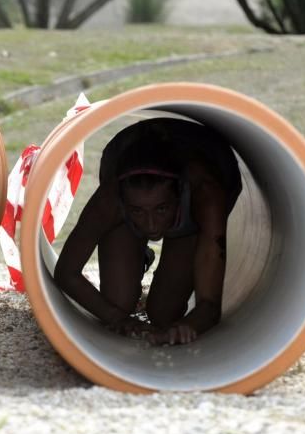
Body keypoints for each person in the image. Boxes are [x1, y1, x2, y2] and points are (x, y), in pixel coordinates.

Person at [53, 118, 241, 346]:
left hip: (210, 166)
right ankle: (138, 256)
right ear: (122, 200)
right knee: (117, 302)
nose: (151, 225)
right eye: (137, 211)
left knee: (164, 314)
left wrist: (188, 326)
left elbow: (210, 304)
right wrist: (119, 318)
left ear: (180, 192)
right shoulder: (109, 199)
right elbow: (65, 272)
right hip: (125, 153)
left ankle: (148, 222)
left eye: (161, 209)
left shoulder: (206, 198)